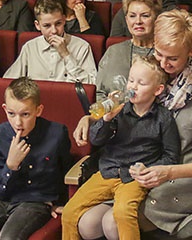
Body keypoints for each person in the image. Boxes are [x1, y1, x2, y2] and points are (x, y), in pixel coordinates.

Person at [73, 10, 192, 238]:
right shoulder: (149, 70)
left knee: (112, 223)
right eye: (159, 53)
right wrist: (89, 118)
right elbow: (121, 109)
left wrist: (168, 172)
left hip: (181, 178)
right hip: (135, 169)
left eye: (173, 58)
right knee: (86, 224)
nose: (163, 64)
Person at [63, 54, 179, 240]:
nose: (133, 86)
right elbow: (96, 139)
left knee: (123, 212)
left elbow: (171, 156)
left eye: (141, 83)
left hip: (134, 178)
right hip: (108, 171)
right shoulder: (119, 111)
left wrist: (148, 169)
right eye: (131, 80)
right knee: (69, 212)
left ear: (157, 90)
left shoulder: (163, 118)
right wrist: (106, 119)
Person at [0, 77, 72, 240]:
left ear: (38, 110)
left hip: (35, 201)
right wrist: (11, 165)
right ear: (4, 108)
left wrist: (61, 203)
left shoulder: (57, 133)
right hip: (1, 199)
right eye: (11, 114)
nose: (18, 122)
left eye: (25, 114)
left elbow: (65, 171)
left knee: (8, 238)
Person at [5, 0, 97, 84]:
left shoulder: (82, 46)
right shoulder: (30, 47)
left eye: (58, 24)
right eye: (47, 26)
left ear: (64, 20)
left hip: (70, 99)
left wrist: (66, 54)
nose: (54, 31)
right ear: (37, 25)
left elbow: (92, 84)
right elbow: (9, 82)